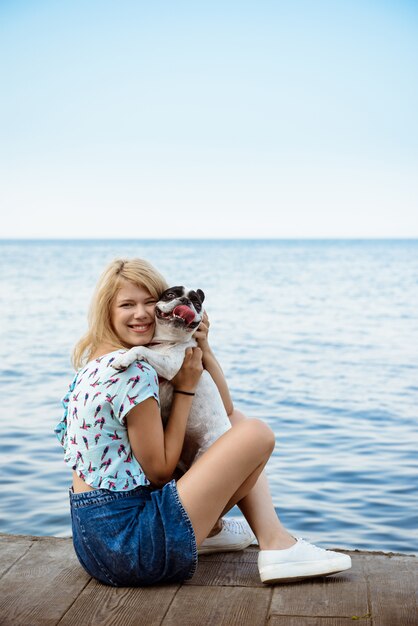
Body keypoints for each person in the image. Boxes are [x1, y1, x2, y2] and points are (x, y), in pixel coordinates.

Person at [55, 258, 352, 587]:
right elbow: (160, 472)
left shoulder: (96, 361)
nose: (140, 314)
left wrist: (204, 348)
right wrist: (184, 387)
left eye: (149, 303)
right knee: (256, 433)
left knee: (235, 424)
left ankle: (215, 531)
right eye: (127, 305)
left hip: (96, 543)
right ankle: (276, 544)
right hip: (132, 549)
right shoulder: (132, 370)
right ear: (106, 312)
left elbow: (224, 411)